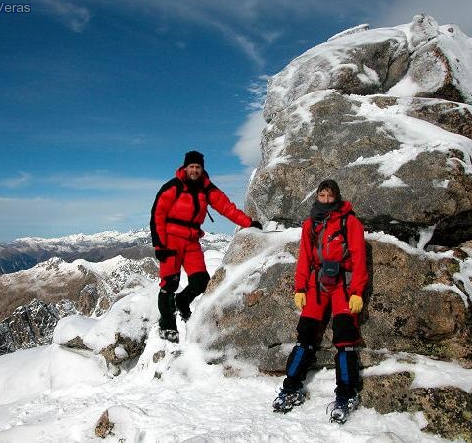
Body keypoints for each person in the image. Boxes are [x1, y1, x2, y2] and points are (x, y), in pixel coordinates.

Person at [272, 179, 368, 424]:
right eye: (322, 195)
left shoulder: (350, 222)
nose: (325, 199)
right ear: (317, 197)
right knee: (305, 335)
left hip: (343, 285)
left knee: (345, 338)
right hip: (317, 284)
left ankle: (346, 395)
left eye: (329, 195)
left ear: (337, 197)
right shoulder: (310, 224)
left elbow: (358, 258)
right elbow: (304, 257)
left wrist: (357, 291)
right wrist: (300, 288)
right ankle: (291, 388)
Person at [150, 150, 262, 342]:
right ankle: (167, 325)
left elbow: (227, 208)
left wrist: (248, 223)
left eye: (198, 167)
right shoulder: (173, 187)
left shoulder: (207, 188)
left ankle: (182, 302)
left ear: (202, 169)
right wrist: (160, 245)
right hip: (171, 240)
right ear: (185, 168)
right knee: (169, 283)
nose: (194, 170)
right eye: (191, 167)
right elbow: (157, 215)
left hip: (192, 240)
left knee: (201, 281)